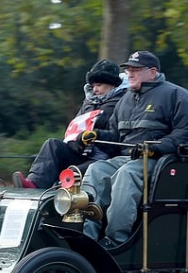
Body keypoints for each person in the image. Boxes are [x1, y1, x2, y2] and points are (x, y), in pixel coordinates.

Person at [80, 50, 188, 248]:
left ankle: (116, 240)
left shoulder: (176, 95)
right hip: (128, 158)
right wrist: (98, 136)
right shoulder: (125, 99)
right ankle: (86, 238)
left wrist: (155, 148)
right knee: (96, 170)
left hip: (162, 162)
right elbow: (116, 135)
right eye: (128, 70)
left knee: (127, 174)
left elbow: (186, 133)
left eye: (136, 70)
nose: (130, 74)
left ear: (152, 72)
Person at [12, 59, 128, 189]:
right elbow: (75, 127)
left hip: (103, 157)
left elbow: (117, 136)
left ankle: (55, 198)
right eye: (93, 85)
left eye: (99, 85)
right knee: (52, 145)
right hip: (82, 151)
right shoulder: (89, 102)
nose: (95, 89)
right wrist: (74, 142)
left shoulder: (123, 103)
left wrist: (96, 135)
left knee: (70, 174)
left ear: (112, 84)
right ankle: (33, 183)